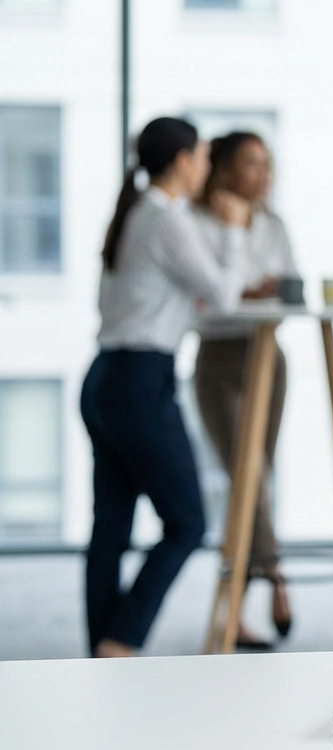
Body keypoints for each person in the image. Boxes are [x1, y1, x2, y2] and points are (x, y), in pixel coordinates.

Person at [81, 117, 250, 658]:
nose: (205, 167)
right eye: (201, 157)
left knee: (112, 522)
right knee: (187, 521)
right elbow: (223, 296)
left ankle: (103, 646)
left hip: (106, 377)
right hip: (139, 381)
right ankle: (121, 639)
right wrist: (234, 227)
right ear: (182, 160)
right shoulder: (167, 217)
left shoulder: (137, 212)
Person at [190, 131, 297, 649]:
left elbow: (288, 284)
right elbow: (210, 300)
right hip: (219, 359)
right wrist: (249, 290)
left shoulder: (273, 224)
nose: (263, 174)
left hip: (267, 355)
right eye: (252, 164)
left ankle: (236, 612)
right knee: (245, 475)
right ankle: (275, 576)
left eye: (266, 163)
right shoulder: (197, 222)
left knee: (258, 479)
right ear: (226, 169)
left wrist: (251, 291)